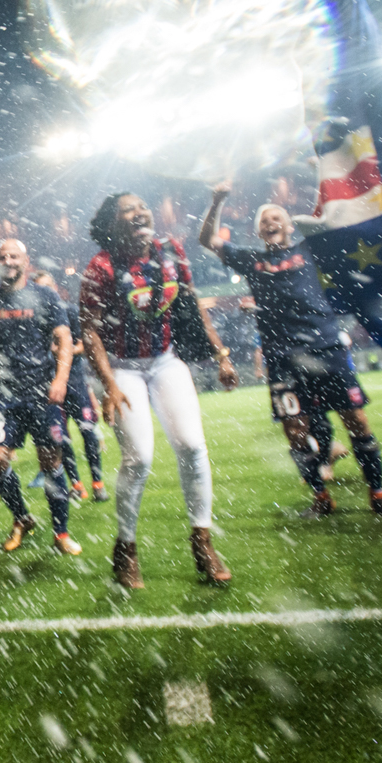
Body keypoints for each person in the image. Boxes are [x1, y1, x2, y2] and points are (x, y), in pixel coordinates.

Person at [200, 184, 382, 518]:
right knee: (295, 432)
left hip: (326, 348)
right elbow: (208, 239)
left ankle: (378, 493)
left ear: (289, 225)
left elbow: (342, 225)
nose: (271, 223)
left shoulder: (309, 250)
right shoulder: (252, 260)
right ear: (258, 231)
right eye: (264, 220)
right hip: (284, 357)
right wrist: (217, 202)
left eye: (276, 217)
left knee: (356, 420)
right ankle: (321, 498)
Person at [80, 192, 238, 589]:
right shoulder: (101, 266)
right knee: (139, 459)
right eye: (128, 210)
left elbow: (194, 304)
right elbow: (90, 330)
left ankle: (202, 541)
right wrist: (109, 384)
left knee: (192, 446)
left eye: (142, 207)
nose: (139, 213)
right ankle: (126, 547)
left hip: (166, 361)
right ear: (113, 224)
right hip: (123, 368)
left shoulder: (171, 251)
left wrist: (221, 354)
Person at [0, 240, 83, 557]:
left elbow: (64, 338)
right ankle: (22, 518)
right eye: (1, 256)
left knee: (51, 461)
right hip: (2, 394)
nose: (7, 260)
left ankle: (61, 533)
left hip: (41, 392)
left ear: (26, 261)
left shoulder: (45, 296)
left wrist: (60, 380)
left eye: (13, 256)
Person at [35, 271, 108, 503]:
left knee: (88, 432)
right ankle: (77, 485)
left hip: (75, 382)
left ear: (55, 287)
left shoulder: (70, 312)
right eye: (39, 289)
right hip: (50, 386)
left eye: (47, 287)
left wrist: (63, 350)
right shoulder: (34, 319)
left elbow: (86, 345)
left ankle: (98, 483)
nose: (45, 292)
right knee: (60, 438)